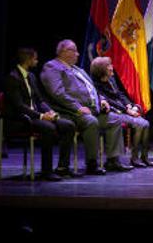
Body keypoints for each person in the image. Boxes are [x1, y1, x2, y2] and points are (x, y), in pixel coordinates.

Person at [40, 40, 133, 174]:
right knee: (91, 122)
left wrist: (102, 100)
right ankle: (92, 163)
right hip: (69, 112)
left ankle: (113, 160)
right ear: (64, 52)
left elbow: (92, 89)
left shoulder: (78, 70)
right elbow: (57, 93)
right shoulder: (52, 67)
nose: (78, 54)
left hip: (92, 110)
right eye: (75, 51)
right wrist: (77, 107)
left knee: (115, 119)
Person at [3, 48, 76, 181]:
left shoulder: (31, 76)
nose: (37, 61)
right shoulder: (12, 78)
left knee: (68, 125)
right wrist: (41, 116)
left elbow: (40, 100)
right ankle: (46, 171)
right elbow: (19, 106)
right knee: (49, 128)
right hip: (20, 120)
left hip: (35, 116)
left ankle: (62, 167)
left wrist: (50, 112)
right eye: (35, 59)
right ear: (29, 60)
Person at [91, 57, 153, 168]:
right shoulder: (96, 84)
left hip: (121, 109)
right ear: (102, 70)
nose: (112, 68)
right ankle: (133, 159)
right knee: (140, 124)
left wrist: (128, 104)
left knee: (145, 123)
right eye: (109, 67)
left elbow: (119, 93)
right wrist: (127, 110)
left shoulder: (111, 78)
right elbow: (109, 101)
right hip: (110, 112)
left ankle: (143, 157)